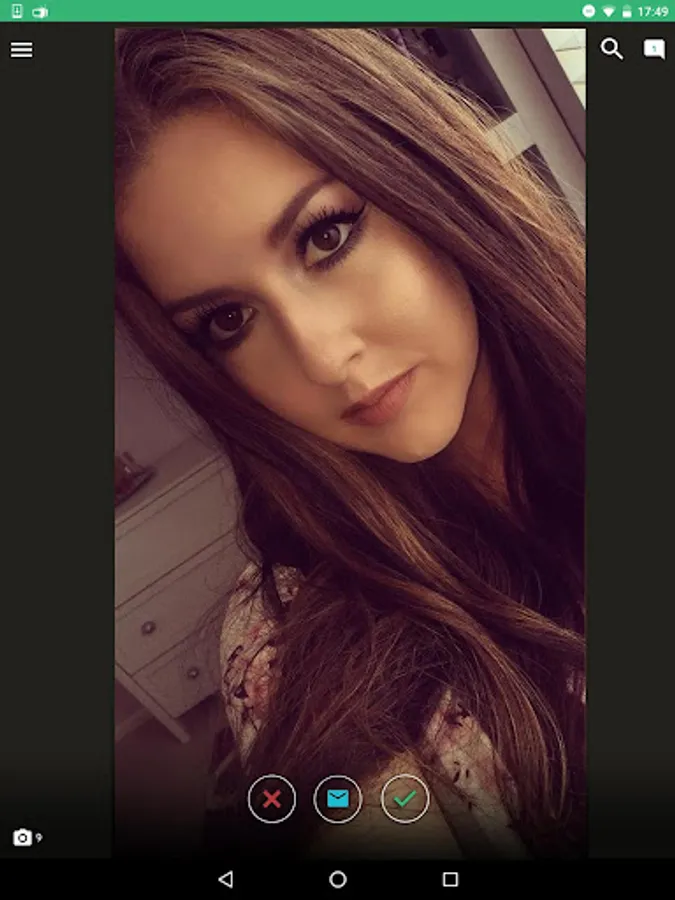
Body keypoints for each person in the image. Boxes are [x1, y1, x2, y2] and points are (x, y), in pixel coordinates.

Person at [114, 27, 586, 860]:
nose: (323, 359)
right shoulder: (289, 641)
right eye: (228, 320)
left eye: (325, 236)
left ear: (421, 171)